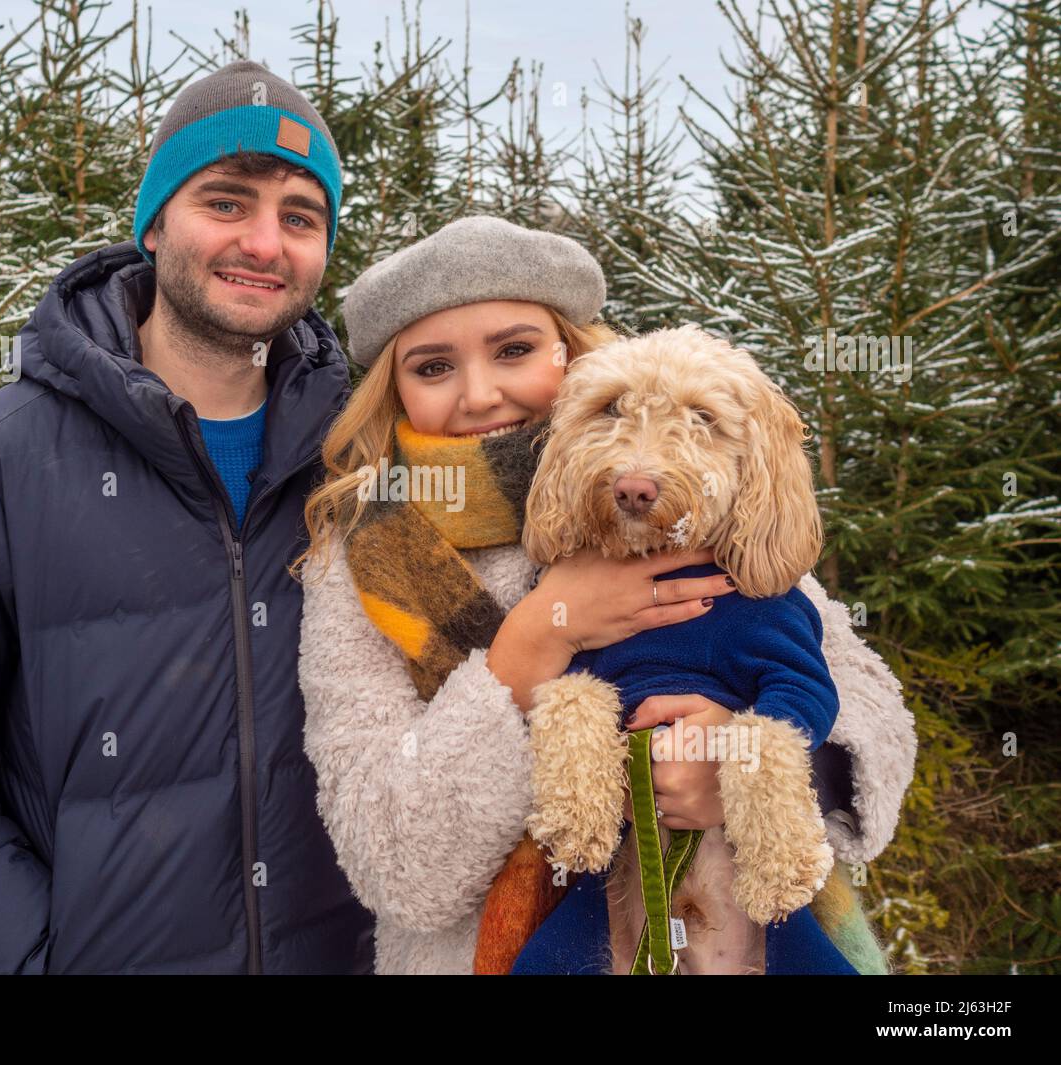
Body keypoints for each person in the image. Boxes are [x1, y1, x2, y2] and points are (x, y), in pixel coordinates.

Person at [0, 60, 376, 974]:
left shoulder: (363, 457)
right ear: (156, 221)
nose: (265, 242)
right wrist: (38, 958)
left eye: (300, 216)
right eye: (228, 201)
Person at [292, 215, 916, 975]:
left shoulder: (710, 503)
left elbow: (875, 720)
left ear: (572, 351)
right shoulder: (365, 554)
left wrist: (740, 768)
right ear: (391, 391)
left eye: (515, 350)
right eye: (432, 367)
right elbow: (396, 866)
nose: (479, 393)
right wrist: (530, 650)